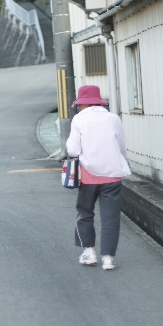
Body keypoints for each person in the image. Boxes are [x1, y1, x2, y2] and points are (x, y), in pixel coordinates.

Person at [66, 85, 131, 270]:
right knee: (111, 217)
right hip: (112, 174)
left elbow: (72, 150)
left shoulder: (79, 119)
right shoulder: (113, 118)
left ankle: (89, 253)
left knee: (85, 213)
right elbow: (121, 146)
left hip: (88, 175)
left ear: (83, 104)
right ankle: (108, 259)